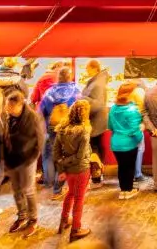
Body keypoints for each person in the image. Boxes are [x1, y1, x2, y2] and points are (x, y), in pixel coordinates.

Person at [0, 89, 44, 235]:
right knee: (16, 189)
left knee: (28, 190)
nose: (7, 109)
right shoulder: (9, 116)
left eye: (10, 107)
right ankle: (22, 216)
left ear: (19, 105)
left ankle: (33, 219)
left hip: (27, 160)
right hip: (13, 159)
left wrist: (32, 158)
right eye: (7, 106)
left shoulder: (32, 118)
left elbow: (40, 140)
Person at [38, 65, 81, 196]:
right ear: (70, 77)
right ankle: (61, 185)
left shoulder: (49, 92)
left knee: (52, 154)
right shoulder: (76, 91)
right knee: (67, 155)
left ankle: (50, 182)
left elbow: (40, 111)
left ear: (58, 77)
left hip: (52, 127)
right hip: (70, 128)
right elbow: (81, 111)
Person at [53, 99, 93, 241]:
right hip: (81, 169)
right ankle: (76, 229)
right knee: (79, 198)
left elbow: (56, 153)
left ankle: (64, 220)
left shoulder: (61, 129)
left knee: (70, 193)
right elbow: (80, 156)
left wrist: (62, 167)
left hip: (68, 171)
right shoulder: (84, 131)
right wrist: (67, 162)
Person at [108, 82, 145, 199]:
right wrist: (140, 135)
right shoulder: (132, 110)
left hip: (116, 143)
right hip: (129, 144)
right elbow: (135, 131)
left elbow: (110, 126)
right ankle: (128, 191)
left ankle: (123, 189)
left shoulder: (113, 108)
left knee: (122, 167)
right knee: (129, 167)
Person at [81, 61, 110, 161]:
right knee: (95, 146)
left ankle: (96, 173)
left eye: (87, 68)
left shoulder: (97, 84)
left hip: (96, 123)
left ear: (94, 68)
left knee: (94, 147)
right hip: (97, 122)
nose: (86, 71)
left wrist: (82, 98)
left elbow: (98, 105)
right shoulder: (96, 81)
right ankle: (96, 172)